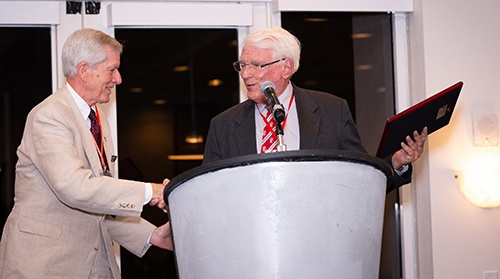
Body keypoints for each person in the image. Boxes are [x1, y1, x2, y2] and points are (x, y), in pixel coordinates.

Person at [0, 28, 172, 278]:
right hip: (45, 266)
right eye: (112, 69)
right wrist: (152, 191)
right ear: (83, 70)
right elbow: (75, 188)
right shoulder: (49, 116)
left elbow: (100, 202)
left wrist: (151, 235)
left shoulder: (97, 117)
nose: (119, 79)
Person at [203, 27, 428, 191]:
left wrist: (396, 163)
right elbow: (208, 191)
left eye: (256, 65)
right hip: (251, 244)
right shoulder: (223, 125)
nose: (245, 74)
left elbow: (361, 178)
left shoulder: (332, 111)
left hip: (320, 241)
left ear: (286, 67)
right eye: (242, 65)